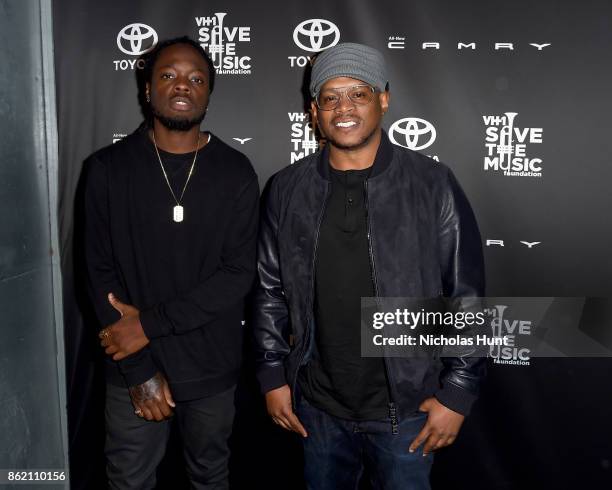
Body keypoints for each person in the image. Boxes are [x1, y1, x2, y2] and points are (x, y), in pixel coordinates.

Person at [252, 42, 485, 489]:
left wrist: (457, 392)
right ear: (314, 110)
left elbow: (466, 296)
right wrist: (271, 376)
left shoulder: (433, 184)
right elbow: (268, 289)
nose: (344, 107)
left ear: (383, 99)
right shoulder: (286, 189)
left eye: (358, 93)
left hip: (409, 410)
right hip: (317, 410)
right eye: (330, 97)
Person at [83, 36, 259, 489]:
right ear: (147, 89)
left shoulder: (236, 171)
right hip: (132, 367)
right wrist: (138, 367)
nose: (183, 85)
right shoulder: (106, 169)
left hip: (211, 370)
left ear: (208, 92)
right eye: (169, 75)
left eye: (196, 78)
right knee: (129, 480)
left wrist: (148, 324)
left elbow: (238, 274)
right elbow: (98, 273)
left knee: (210, 477)